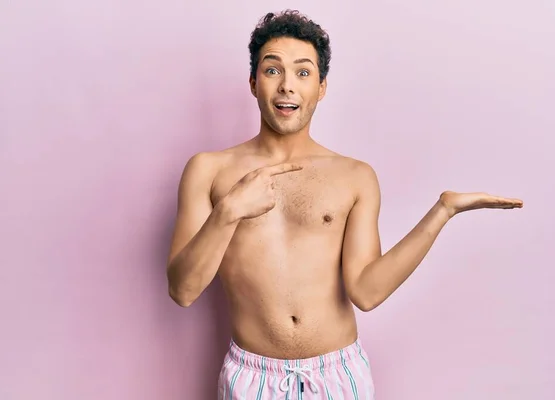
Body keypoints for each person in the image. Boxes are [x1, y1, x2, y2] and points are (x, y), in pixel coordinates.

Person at [166, 9, 523, 400]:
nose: (287, 86)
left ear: (321, 88)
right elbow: (183, 290)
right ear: (253, 83)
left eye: (303, 73)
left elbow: (367, 292)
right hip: (252, 377)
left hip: (336, 375)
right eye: (273, 70)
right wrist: (228, 211)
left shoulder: (355, 176)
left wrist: (443, 211)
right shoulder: (208, 170)